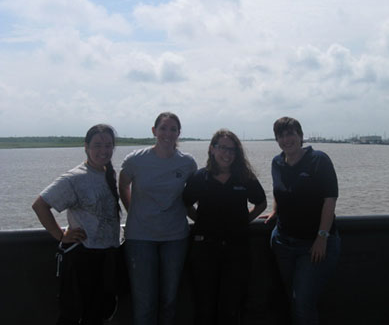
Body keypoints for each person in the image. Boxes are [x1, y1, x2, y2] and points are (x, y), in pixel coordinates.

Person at [32, 124, 122, 325]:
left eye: (108, 145)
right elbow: (40, 205)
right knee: (77, 315)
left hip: (107, 256)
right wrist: (60, 235)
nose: (103, 150)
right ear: (86, 147)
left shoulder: (109, 173)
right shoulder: (75, 178)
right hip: (83, 257)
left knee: (101, 313)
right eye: (97, 145)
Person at [119, 112, 197, 325]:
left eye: (173, 129)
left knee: (169, 299)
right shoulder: (135, 160)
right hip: (140, 239)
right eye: (163, 128)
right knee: (144, 301)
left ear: (179, 133)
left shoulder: (187, 163)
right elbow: (123, 185)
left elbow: (193, 196)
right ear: (154, 131)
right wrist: (132, 211)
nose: (168, 133)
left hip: (175, 238)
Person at [183, 129, 267, 325]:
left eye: (232, 149)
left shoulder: (245, 178)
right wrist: (202, 221)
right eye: (222, 148)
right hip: (205, 250)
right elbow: (185, 204)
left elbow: (261, 203)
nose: (227, 153)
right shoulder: (200, 177)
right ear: (212, 149)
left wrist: (243, 220)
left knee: (231, 307)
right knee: (205, 307)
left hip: (236, 250)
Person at [265, 117, 340, 325]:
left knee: (303, 302)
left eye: (290, 133)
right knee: (291, 297)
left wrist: (322, 237)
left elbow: (330, 198)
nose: (286, 139)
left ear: (300, 136)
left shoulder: (319, 160)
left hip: (313, 245)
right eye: (281, 135)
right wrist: (274, 211)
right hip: (283, 243)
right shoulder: (277, 162)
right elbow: (279, 190)